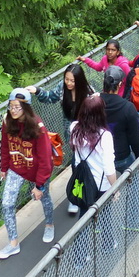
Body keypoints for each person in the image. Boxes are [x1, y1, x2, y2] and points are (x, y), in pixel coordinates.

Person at [27, 65, 93, 215]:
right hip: (70, 132)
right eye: (67, 79)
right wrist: (37, 91)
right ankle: (76, 196)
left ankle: (81, 194)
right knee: (76, 162)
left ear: (79, 81)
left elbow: (96, 109)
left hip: (86, 132)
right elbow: (51, 97)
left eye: (72, 81)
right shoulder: (62, 88)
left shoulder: (88, 92)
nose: (69, 83)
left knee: (82, 163)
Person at [0, 88, 55, 259]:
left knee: (44, 198)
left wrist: (39, 185)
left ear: (26, 108)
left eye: (17, 107)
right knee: (7, 204)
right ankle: (13, 243)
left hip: (38, 170)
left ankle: (50, 224)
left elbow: (45, 159)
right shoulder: (8, 121)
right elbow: (5, 146)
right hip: (17, 167)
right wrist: (4, 167)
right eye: (11, 106)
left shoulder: (38, 127)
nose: (13, 110)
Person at [69, 96, 117, 216]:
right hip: (100, 185)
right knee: (105, 217)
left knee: (84, 215)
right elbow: (108, 167)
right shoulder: (104, 136)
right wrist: (115, 188)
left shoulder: (74, 128)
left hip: (83, 181)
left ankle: (83, 234)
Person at [100, 65, 139, 172]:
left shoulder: (93, 104)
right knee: (133, 184)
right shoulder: (128, 107)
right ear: (120, 84)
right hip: (121, 156)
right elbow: (135, 137)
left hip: (100, 156)